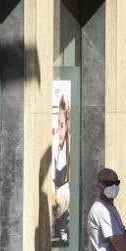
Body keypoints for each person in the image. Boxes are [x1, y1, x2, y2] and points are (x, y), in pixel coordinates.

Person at [52, 96, 71, 243]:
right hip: (58, 222)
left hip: (67, 223)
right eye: (58, 124)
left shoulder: (71, 151)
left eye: (62, 125)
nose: (59, 130)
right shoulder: (58, 148)